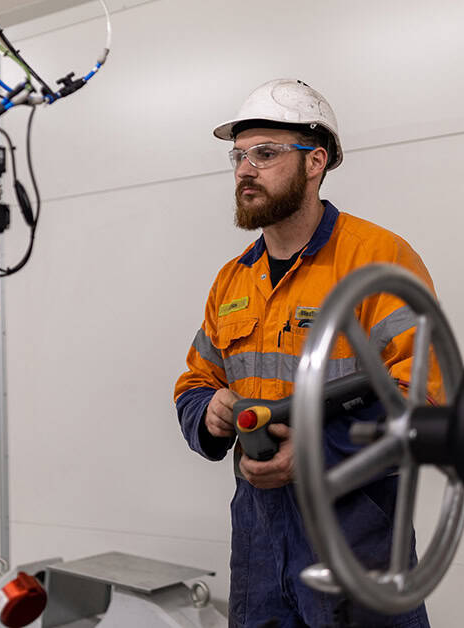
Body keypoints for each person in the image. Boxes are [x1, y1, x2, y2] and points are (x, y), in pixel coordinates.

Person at [172, 79, 438, 627]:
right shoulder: (233, 279)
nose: (246, 169)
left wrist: (317, 453)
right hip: (259, 534)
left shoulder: (376, 260)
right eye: (238, 156)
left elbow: (425, 393)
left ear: (315, 162)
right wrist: (212, 412)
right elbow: (195, 381)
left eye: (265, 153)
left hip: (357, 530)